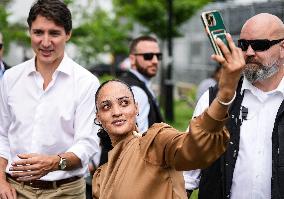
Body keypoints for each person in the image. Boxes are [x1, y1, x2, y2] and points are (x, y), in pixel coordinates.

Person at [92, 33, 245, 199]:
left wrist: (224, 95)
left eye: (124, 103)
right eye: (106, 106)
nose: (116, 112)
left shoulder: (155, 141)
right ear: (98, 117)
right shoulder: (100, 176)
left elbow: (194, 149)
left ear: (136, 108)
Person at [0, 0, 100, 198]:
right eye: (38, 32)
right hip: (14, 190)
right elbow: (2, 134)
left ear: (68, 34)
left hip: (65, 191)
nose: (45, 42)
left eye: (54, 33)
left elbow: (87, 144)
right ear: (30, 32)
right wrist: (0, 180)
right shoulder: (11, 78)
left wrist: (54, 162)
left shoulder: (86, 82)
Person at [184, 13, 284, 199]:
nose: (249, 53)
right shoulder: (213, 99)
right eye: (244, 45)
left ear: (282, 48)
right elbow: (186, 176)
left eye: (260, 45)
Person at [119, 35, 164, 133]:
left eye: (158, 56)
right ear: (132, 59)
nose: (155, 61)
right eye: (148, 56)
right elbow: (139, 138)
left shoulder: (135, 84)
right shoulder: (136, 91)